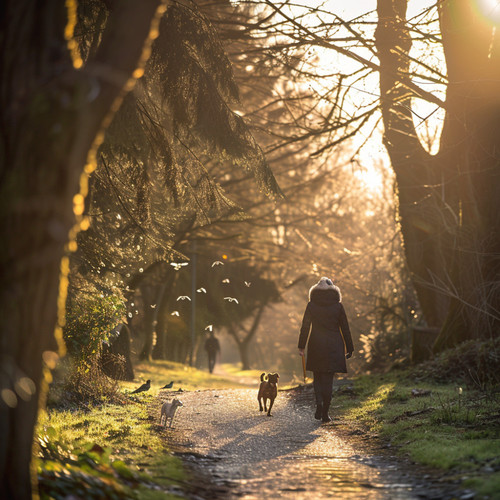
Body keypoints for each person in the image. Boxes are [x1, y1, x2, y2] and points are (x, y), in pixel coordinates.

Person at [298, 277, 354, 423]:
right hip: (334, 345)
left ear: (314, 292)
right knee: (328, 379)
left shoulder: (311, 305)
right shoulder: (338, 306)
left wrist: (301, 346)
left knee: (317, 377)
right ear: (334, 291)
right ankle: (325, 413)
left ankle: (319, 404)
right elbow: (345, 328)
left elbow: (305, 326)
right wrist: (350, 347)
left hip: (316, 343)